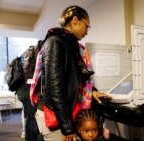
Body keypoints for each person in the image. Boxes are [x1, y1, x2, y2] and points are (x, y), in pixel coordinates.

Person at [35, 5, 111, 141]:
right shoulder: (55, 42)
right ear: (75, 20)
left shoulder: (72, 45)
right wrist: (67, 127)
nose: (87, 31)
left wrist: (92, 90)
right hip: (55, 114)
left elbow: (76, 76)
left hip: (64, 112)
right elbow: (54, 87)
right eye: (87, 26)